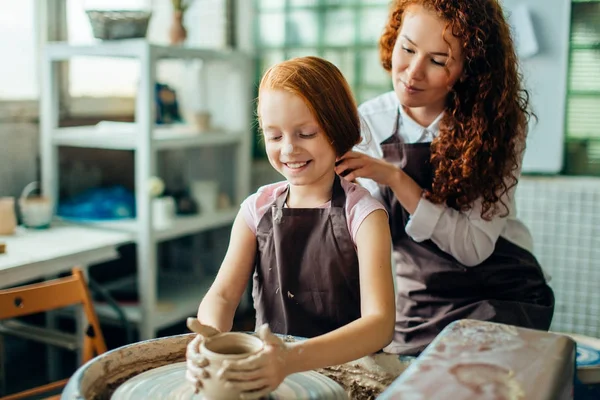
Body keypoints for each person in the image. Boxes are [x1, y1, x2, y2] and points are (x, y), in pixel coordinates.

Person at [335, 0, 555, 356]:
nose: (413, 72)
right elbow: (369, 234)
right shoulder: (369, 123)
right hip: (419, 298)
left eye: (438, 60)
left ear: (471, 69)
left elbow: (472, 248)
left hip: (499, 291)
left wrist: (397, 179)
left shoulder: (498, 128)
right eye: (407, 49)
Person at [186, 56, 395, 398]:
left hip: (350, 378)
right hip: (272, 377)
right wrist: (207, 341)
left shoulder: (365, 216)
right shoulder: (256, 210)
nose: (289, 149)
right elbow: (222, 295)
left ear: (339, 130)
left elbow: (380, 324)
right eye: (274, 135)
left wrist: (291, 359)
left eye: (306, 133)